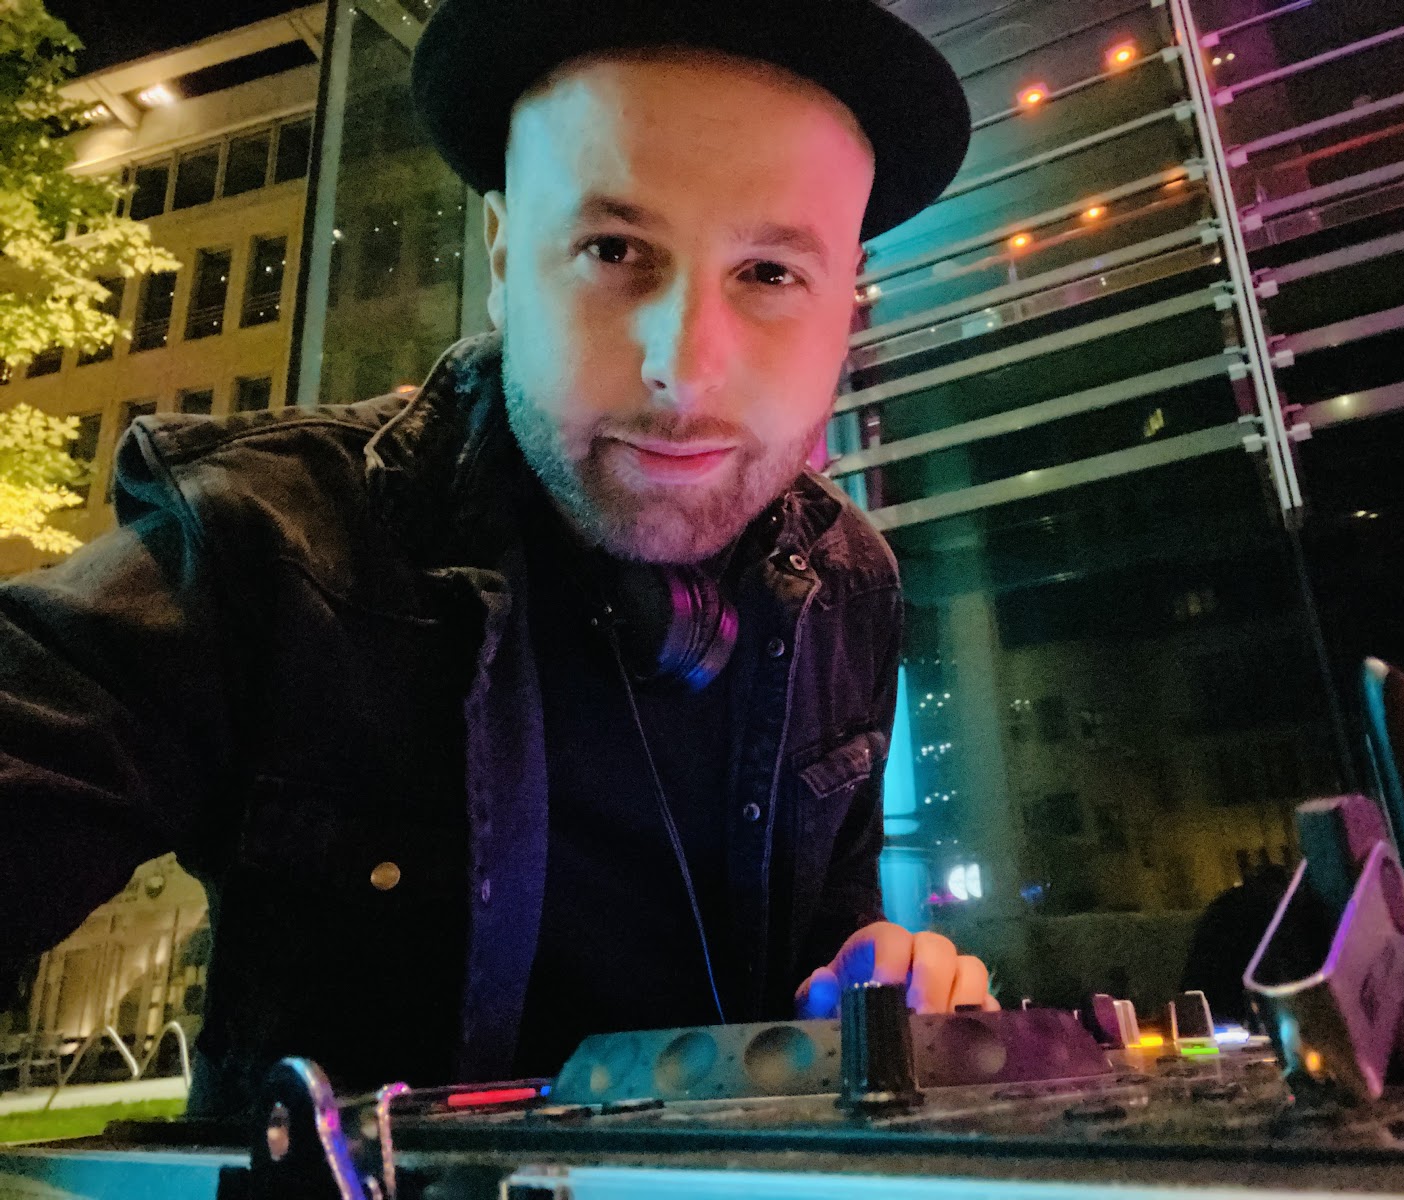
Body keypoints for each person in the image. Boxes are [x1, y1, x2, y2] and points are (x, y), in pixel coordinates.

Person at [0, 0, 997, 1116]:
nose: (685, 369)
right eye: (614, 250)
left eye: (770, 273)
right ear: (504, 258)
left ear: (844, 305)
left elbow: (828, 942)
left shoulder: (851, 586)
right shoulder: (270, 539)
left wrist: (870, 984)